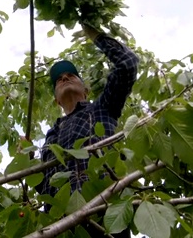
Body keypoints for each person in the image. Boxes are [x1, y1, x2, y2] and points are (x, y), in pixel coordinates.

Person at [35, 23, 139, 237]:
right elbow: (45, 186)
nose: (64, 78)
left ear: (86, 90)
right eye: (59, 79)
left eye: (71, 75)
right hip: (62, 226)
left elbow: (127, 64)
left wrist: (96, 36)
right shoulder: (51, 138)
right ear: (56, 101)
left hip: (104, 213)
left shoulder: (102, 108)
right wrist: (26, 158)